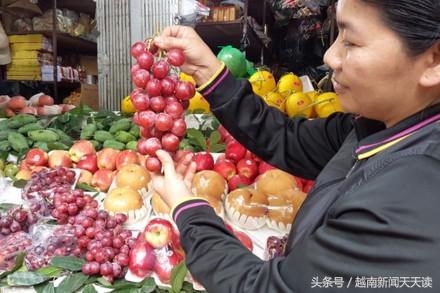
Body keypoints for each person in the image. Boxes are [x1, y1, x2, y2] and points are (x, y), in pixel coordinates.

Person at [151, 0, 440, 292]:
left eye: (351, 42)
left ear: (434, 60)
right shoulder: (379, 126)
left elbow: (268, 288)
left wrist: (188, 210)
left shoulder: (411, 200)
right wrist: (207, 72)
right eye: (335, 37)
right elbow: (287, 138)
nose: (329, 56)